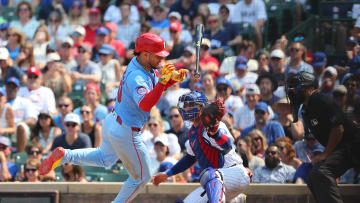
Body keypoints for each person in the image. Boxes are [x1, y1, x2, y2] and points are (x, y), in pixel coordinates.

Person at [40, 33, 187, 202]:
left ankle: (66, 155)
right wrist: (162, 83)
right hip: (127, 130)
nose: (161, 59)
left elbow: (153, 88)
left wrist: (168, 82)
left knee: (104, 158)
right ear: (145, 54)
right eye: (157, 55)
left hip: (113, 122)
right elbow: (145, 104)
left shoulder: (141, 64)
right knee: (142, 178)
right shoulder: (136, 76)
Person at [153, 92, 250, 202]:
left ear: (202, 108)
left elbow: (226, 144)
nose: (186, 109)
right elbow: (190, 158)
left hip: (234, 173)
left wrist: (215, 133)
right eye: (184, 106)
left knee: (209, 175)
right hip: (218, 181)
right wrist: (167, 173)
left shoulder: (215, 125)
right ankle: (235, 200)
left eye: (191, 106)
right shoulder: (192, 132)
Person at [286, 71, 360, 203]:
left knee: (321, 173)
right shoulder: (305, 109)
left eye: (297, 88)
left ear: (309, 88)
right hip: (344, 149)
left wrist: (326, 154)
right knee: (313, 177)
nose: (293, 92)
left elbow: (338, 129)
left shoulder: (320, 100)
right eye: (292, 89)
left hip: (353, 145)